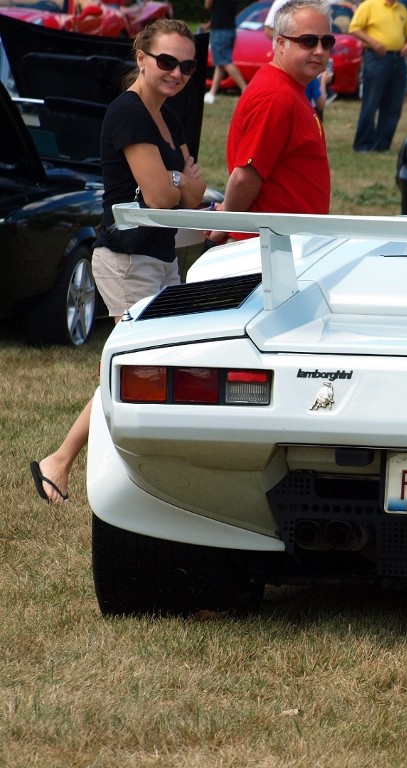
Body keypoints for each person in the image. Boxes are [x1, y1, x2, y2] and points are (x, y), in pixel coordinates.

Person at [30, 19, 207, 504]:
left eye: (186, 65)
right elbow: (160, 193)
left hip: (161, 256)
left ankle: (119, 466)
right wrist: (178, 182)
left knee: (149, 366)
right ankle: (60, 461)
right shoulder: (128, 113)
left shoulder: (167, 115)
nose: (176, 73)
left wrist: (177, 184)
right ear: (141, 58)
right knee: (132, 368)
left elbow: (190, 190)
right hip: (128, 261)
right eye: (167, 61)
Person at [209, 0, 332, 244]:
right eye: (308, 41)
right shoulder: (276, 97)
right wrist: (220, 231)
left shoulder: (290, 89)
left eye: (326, 42)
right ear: (281, 43)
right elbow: (244, 177)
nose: (319, 50)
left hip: (285, 245)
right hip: (267, 250)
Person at [349, 0, 407, 152]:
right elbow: (354, 28)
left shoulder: (402, 9)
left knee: (393, 105)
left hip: (398, 59)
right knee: (371, 102)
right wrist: (374, 43)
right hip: (377, 58)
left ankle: (383, 144)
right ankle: (363, 144)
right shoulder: (369, 5)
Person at [204, 0, 248, 104]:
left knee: (224, 61)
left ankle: (245, 90)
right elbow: (224, 10)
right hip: (230, 29)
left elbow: (207, 5)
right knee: (220, 63)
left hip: (219, 30)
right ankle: (212, 93)